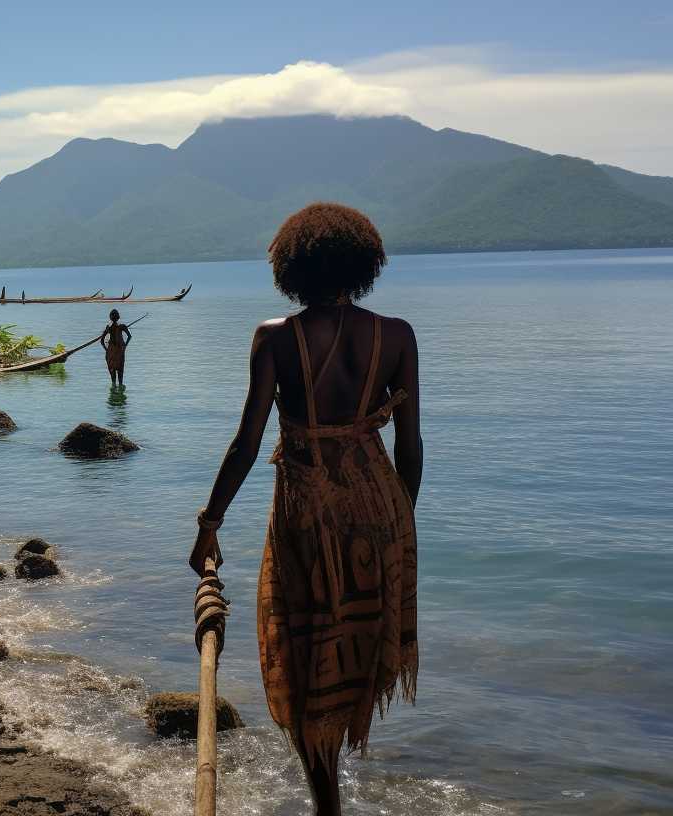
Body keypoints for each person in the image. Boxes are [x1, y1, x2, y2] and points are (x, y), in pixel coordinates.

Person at [191, 202, 422, 816]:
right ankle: (330, 799)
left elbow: (246, 441)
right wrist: (404, 526)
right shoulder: (396, 336)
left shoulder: (276, 339)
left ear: (290, 266)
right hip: (380, 506)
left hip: (307, 508)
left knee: (304, 650)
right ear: (363, 264)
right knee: (359, 645)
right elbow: (411, 445)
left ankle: (326, 803)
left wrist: (208, 523)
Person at [98, 308, 132, 386]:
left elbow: (102, 341)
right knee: (120, 375)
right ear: (118, 317)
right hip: (119, 351)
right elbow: (129, 336)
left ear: (110, 318)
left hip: (111, 352)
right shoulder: (122, 326)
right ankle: (120, 393)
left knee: (113, 378)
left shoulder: (108, 327)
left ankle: (113, 392)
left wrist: (106, 350)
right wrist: (125, 346)